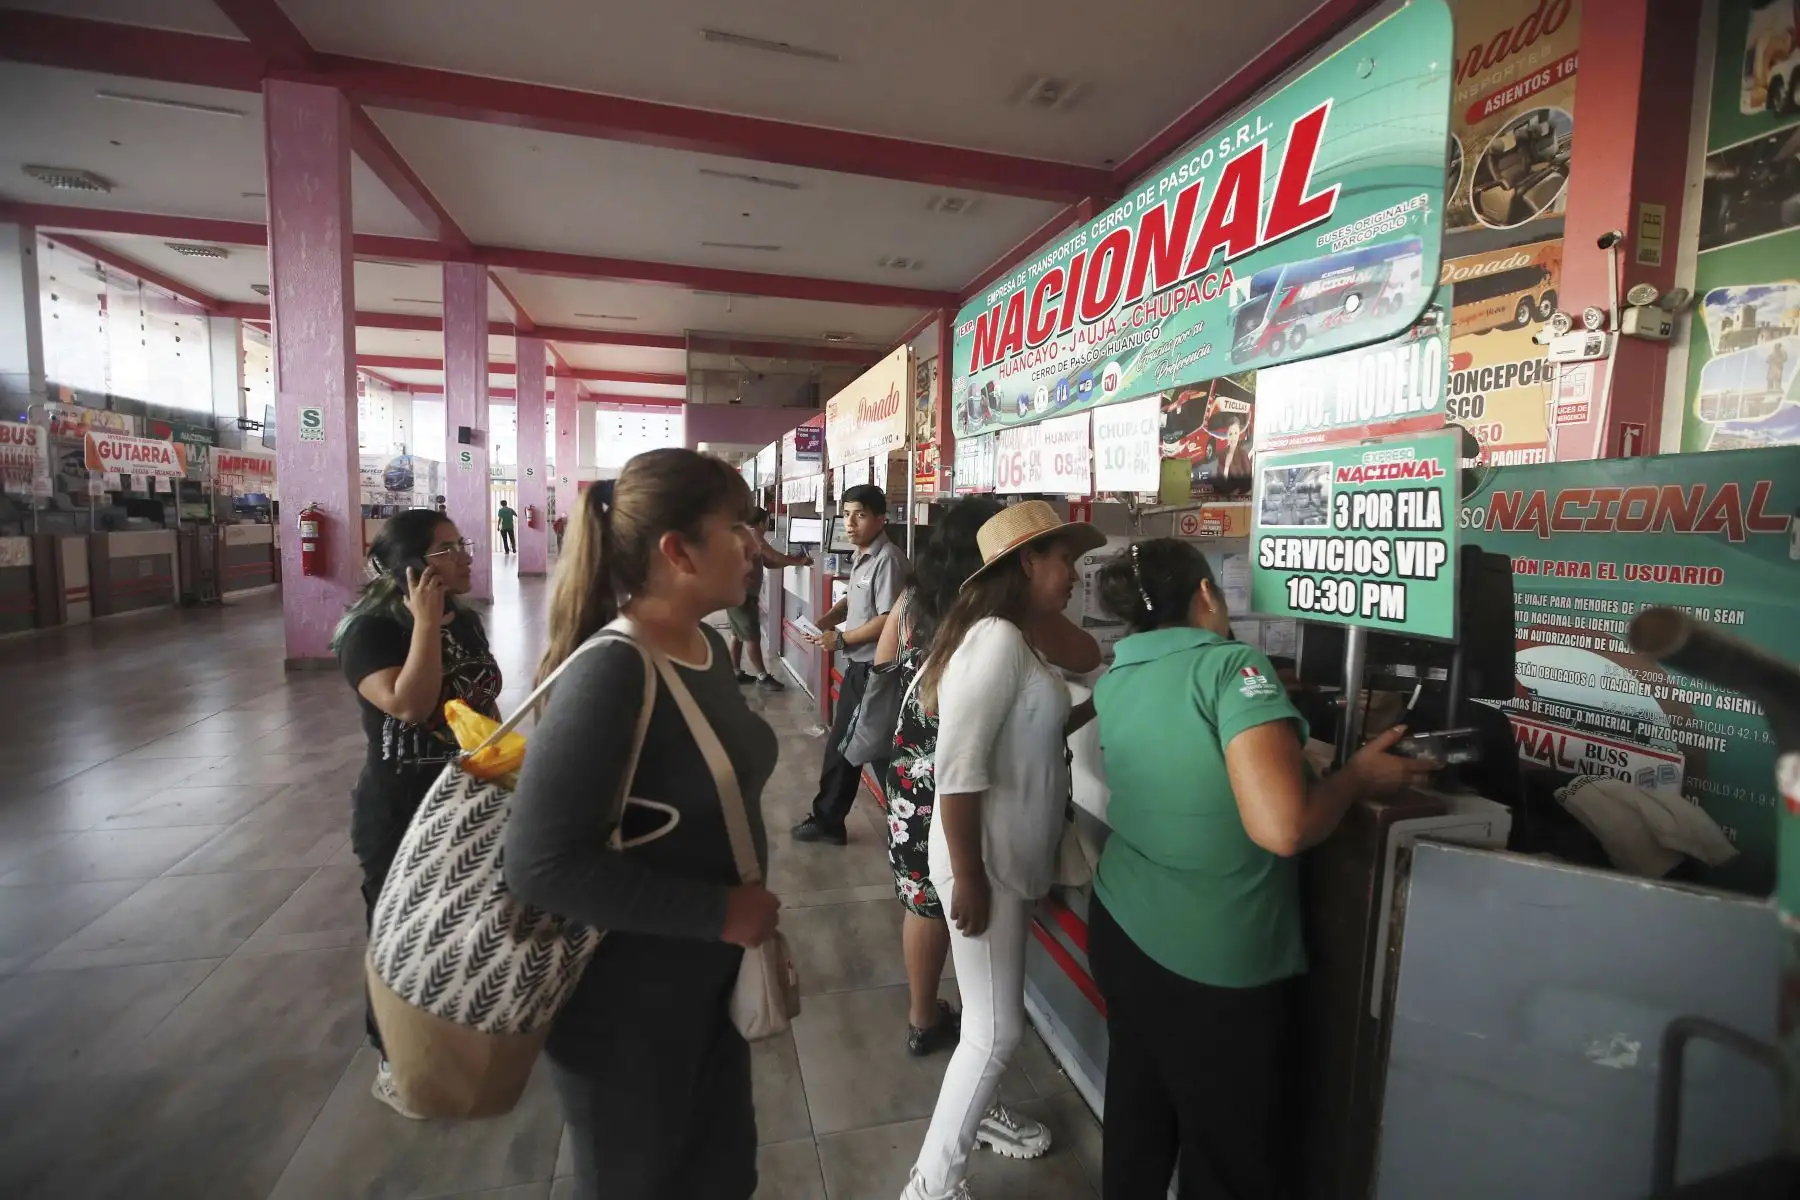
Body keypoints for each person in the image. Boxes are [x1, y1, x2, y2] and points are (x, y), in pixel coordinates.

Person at [1087, 539, 1436, 1200]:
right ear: (1207, 595)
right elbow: (1285, 828)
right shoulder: (1232, 668)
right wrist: (1359, 775)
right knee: (1227, 1158)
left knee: (1138, 1122)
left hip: (1123, 925)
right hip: (1213, 957)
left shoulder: (1120, 671)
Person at [504, 450, 780, 1200]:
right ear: (676, 550)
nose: (755, 546)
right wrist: (719, 911)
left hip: (703, 987)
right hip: (625, 1009)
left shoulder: (707, 647)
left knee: (722, 1175)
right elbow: (538, 862)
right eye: (738, 528)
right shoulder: (613, 671)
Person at [900, 501, 1105, 1200]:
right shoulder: (993, 640)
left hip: (1000, 861)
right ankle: (933, 1183)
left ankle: (959, 1143)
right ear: (1027, 562)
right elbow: (956, 776)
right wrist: (968, 879)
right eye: (1062, 559)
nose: (1073, 574)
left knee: (989, 1024)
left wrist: (1102, 700)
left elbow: (1034, 728)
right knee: (996, 1032)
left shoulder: (1011, 639)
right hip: (980, 863)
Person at [331, 509, 501, 1117]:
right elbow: (409, 704)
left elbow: (480, 701)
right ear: (411, 568)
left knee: (462, 928)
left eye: (464, 543)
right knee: (398, 937)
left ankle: (454, 1040)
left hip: (469, 800)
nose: (466, 555)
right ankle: (393, 1060)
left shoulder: (469, 620)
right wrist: (424, 623)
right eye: (448, 549)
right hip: (403, 805)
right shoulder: (370, 631)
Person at [792, 483, 905, 846]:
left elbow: (889, 619)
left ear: (880, 518)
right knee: (866, 747)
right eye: (846, 514)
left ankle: (830, 821)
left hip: (875, 670)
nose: (850, 523)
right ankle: (903, 818)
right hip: (860, 668)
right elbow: (855, 603)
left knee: (850, 746)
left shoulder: (887, 559)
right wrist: (827, 620)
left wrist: (840, 639)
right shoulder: (862, 556)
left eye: (859, 514)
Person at [729, 506, 812, 690]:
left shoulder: (745, 534)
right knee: (751, 636)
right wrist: (798, 561)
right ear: (762, 522)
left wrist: (790, 562)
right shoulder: (753, 534)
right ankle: (762, 676)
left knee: (738, 634)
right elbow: (772, 555)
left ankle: (735, 672)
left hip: (736, 592)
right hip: (743, 594)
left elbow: (768, 562)